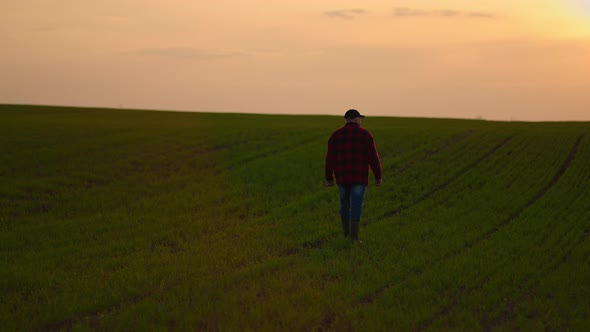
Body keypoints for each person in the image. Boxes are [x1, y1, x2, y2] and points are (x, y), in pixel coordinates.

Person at [325, 109, 383, 243]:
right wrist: (378, 176)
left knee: (344, 204)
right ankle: (354, 238)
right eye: (359, 118)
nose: (360, 121)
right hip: (359, 177)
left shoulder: (336, 135)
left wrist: (329, 178)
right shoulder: (365, 135)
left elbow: (330, 159)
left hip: (341, 178)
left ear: (346, 120)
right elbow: (373, 158)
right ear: (355, 119)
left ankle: (346, 234)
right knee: (356, 205)